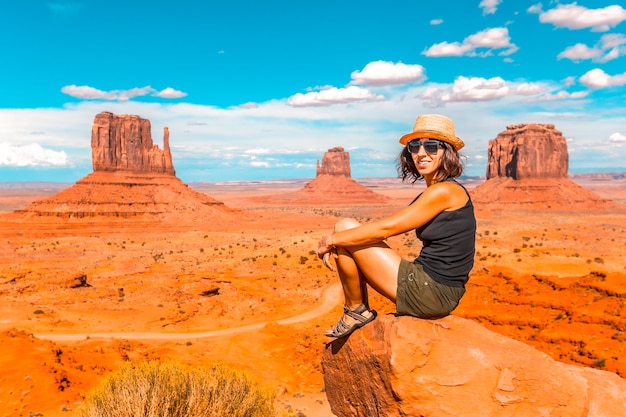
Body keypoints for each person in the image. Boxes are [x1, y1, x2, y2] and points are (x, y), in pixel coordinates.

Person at [317, 114, 476, 338]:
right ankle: (355, 310)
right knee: (348, 231)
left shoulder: (445, 191)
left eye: (431, 146)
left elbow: (387, 229)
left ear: (446, 151)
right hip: (432, 285)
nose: (421, 153)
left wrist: (330, 241)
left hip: (433, 291)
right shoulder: (438, 190)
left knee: (344, 229)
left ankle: (355, 311)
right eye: (414, 146)